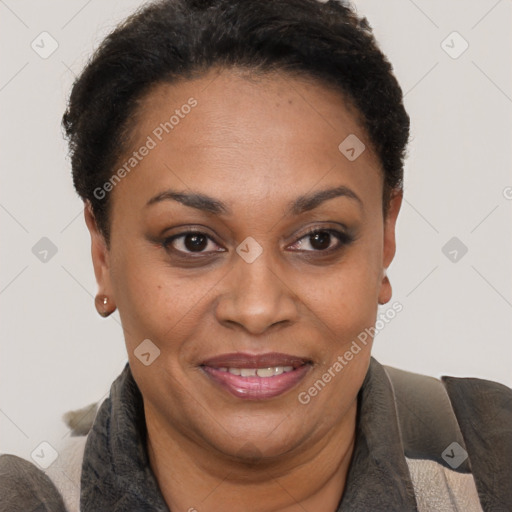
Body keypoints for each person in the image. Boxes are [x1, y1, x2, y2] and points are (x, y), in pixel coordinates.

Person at [1, 0, 511, 510]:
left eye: (318, 238)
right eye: (192, 241)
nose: (257, 308)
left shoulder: (498, 463)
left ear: (385, 236)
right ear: (103, 254)